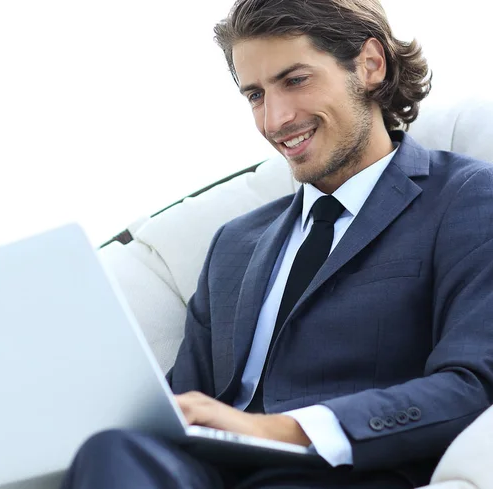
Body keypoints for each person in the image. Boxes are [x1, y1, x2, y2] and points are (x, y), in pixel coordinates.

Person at [61, 0, 493, 487]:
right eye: (255, 95)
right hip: (209, 472)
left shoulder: (467, 198)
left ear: (371, 65)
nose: (275, 119)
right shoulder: (235, 243)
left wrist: (281, 430)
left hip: (341, 470)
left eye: (295, 80)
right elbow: (181, 405)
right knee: (113, 450)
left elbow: (472, 385)